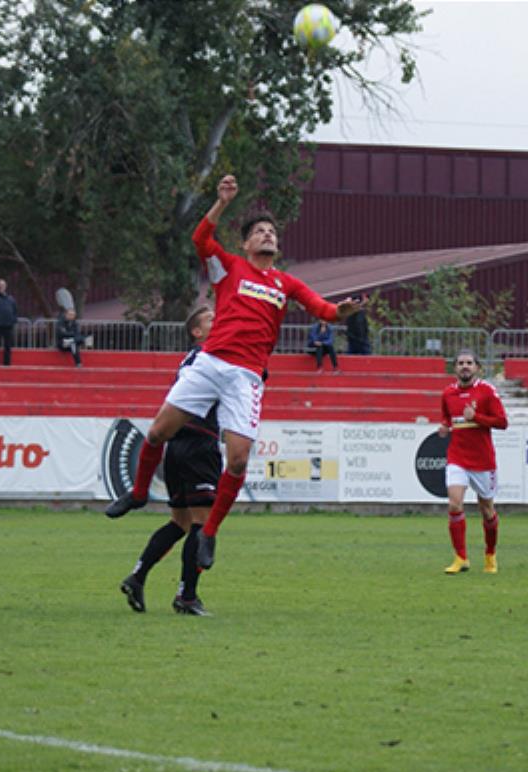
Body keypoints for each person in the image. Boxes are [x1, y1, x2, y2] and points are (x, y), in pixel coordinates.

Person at [104, 173, 362, 573]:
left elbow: (323, 309)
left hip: (246, 376)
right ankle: (138, 493)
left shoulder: (286, 284)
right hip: (210, 363)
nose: (267, 234)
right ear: (246, 244)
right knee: (156, 433)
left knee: (238, 461)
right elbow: (200, 239)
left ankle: (209, 533)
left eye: (271, 231)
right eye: (259, 231)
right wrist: (222, 202)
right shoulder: (229, 268)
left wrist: (340, 312)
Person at [119, 306, 218, 617]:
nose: (218, 321)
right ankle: (187, 596)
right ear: (197, 332)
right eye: (211, 319)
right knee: (202, 523)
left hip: (176, 444)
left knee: (180, 523)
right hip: (199, 443)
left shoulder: (194, 358)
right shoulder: (209, 356)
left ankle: (137, 576)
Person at [438, 349, 508, 575]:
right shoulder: (448, 393)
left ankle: (490, 554)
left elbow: (502, 422)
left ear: (477, 367)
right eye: (460, 363)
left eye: (469, 363)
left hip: (483, 461)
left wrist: (476, 417)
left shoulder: (487, 391)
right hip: (457, 457)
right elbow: (447, 418)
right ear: (455, 368)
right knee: (454, 504)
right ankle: (461, 558)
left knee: (487, 510)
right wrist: (445, 426)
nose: (465, 366)